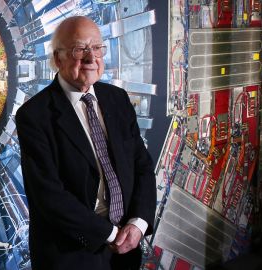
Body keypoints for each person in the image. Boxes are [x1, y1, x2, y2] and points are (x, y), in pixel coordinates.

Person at [15, 16, 156, 270]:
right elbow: (49, 197)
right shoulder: (34, 116)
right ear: (58, 59)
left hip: (126, 250)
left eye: (97, 48)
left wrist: (138, 223)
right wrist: (110, 234)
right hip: (71, 255)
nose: (91, 58)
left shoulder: (118, 99)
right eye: (80, 49)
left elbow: (142, 166)